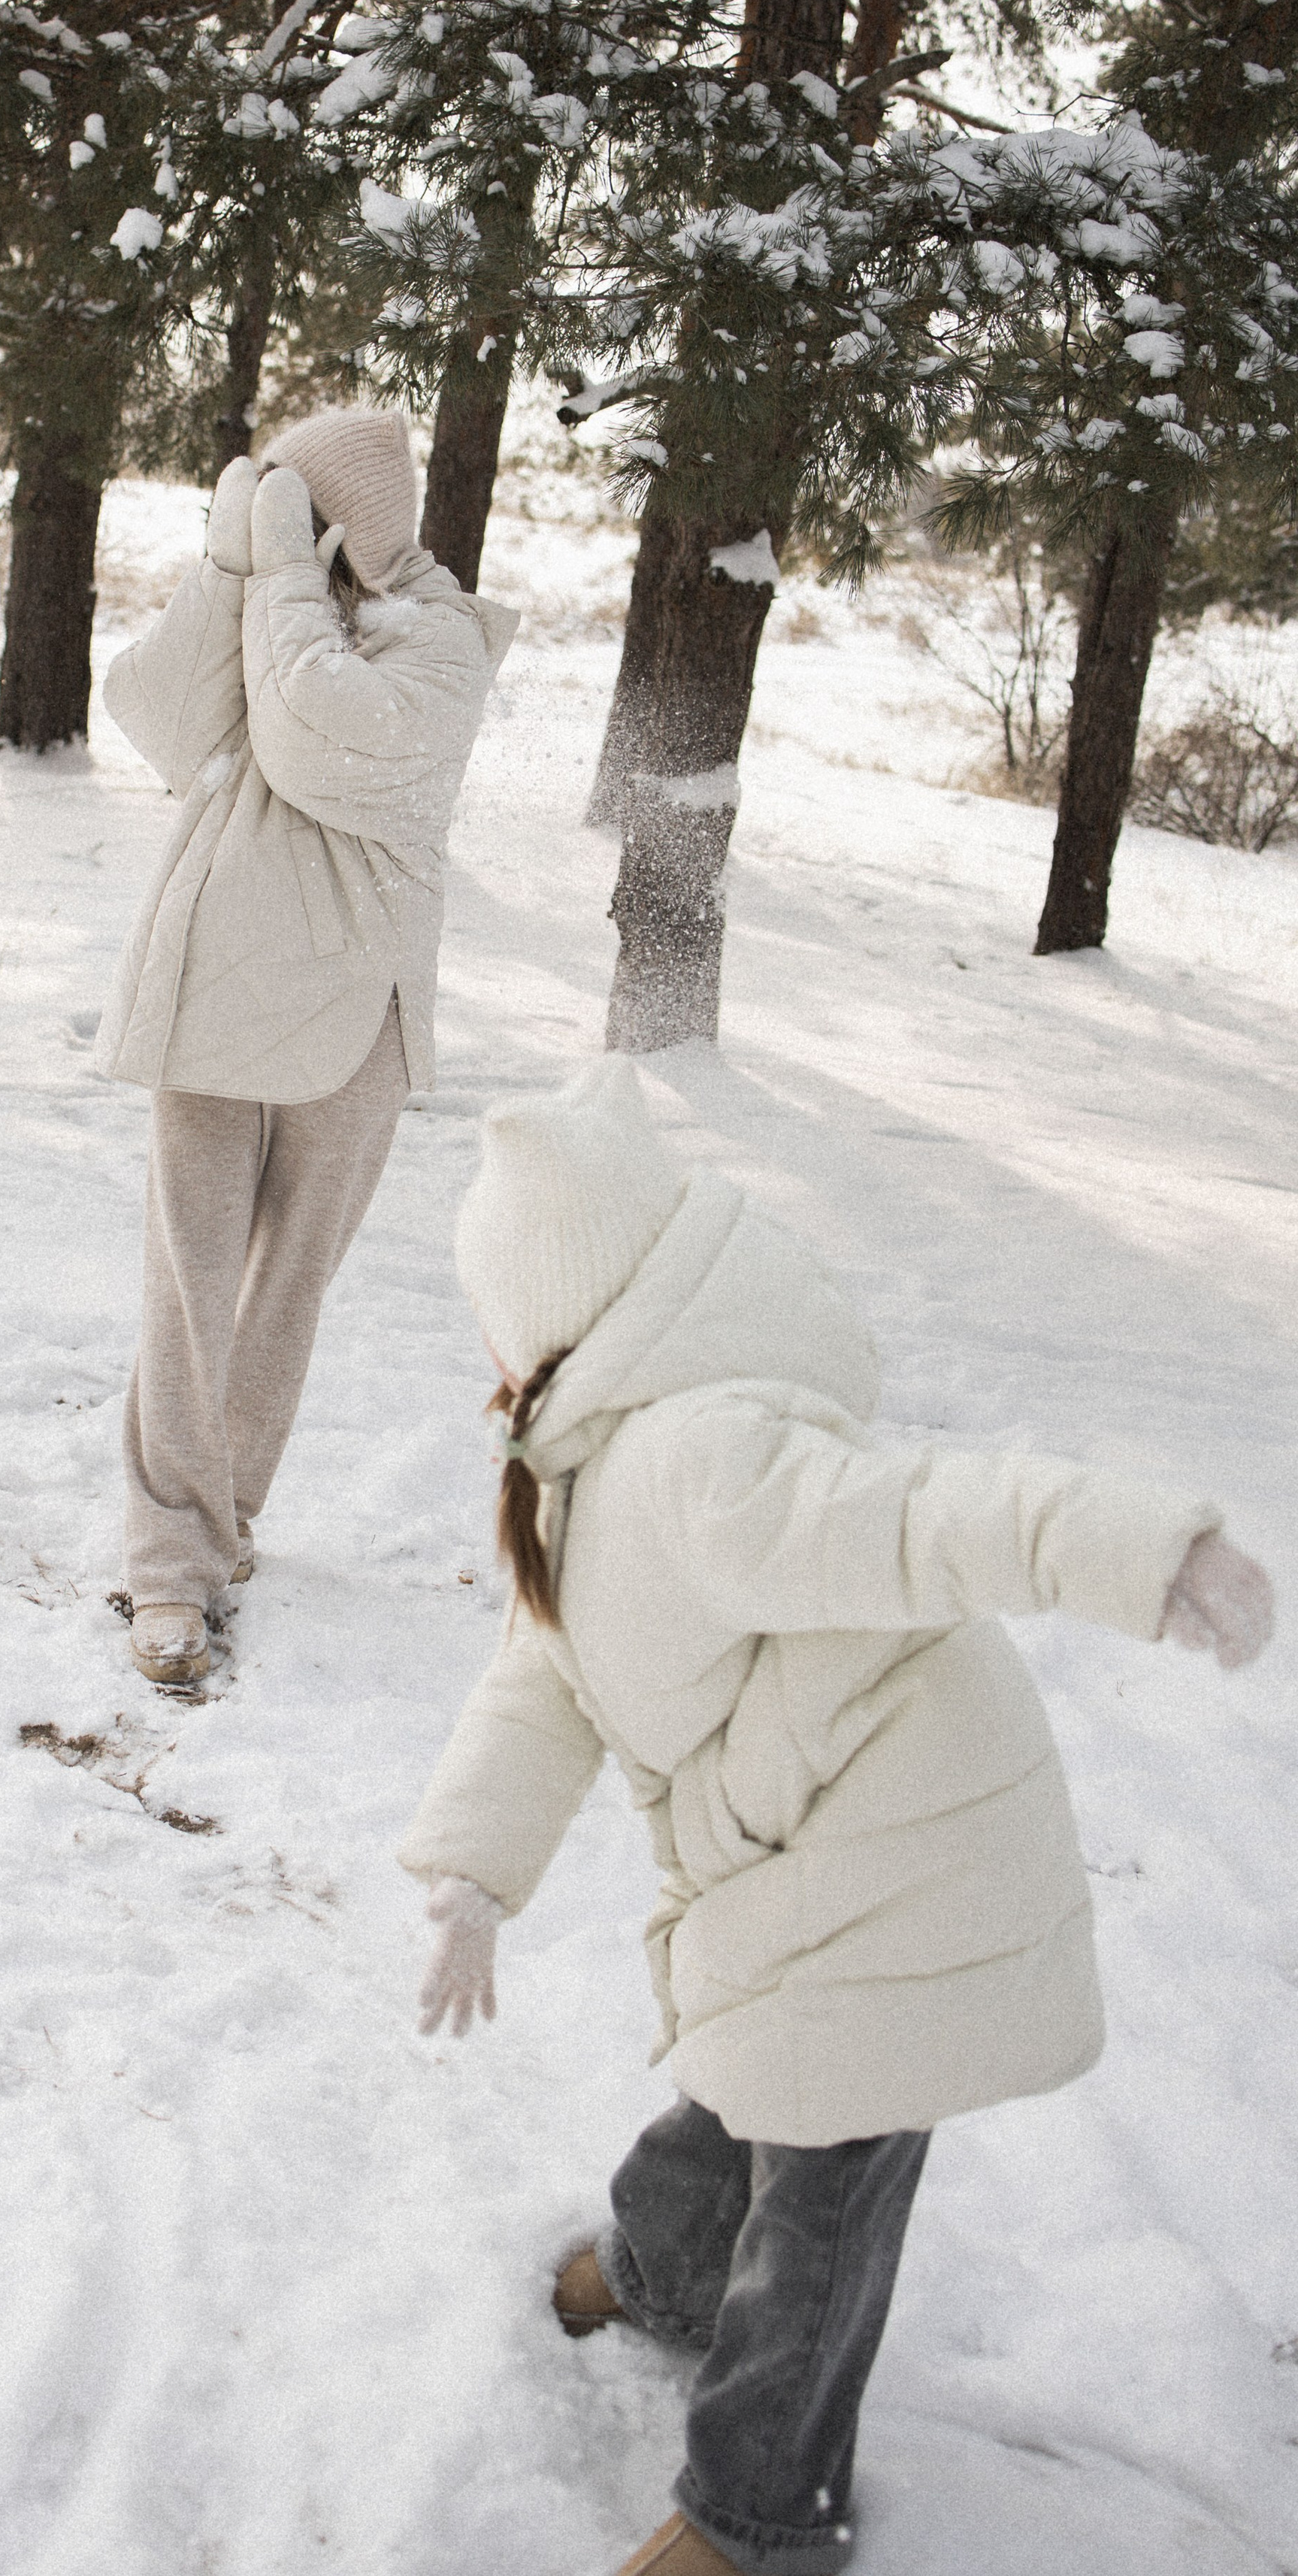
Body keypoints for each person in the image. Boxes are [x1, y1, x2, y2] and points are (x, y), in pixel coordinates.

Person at [400, 1056, 1276, 2576]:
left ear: (563, 1310)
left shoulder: (698, 1455)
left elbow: (929, 1512)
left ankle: (755, 2518)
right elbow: (542, 1679)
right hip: (804, 1868)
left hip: (907, 1872)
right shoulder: (588, 1463)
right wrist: (477, 1871)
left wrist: (1146, 1550)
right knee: (747, 2088)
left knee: (819, 2198)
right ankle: (665, 2272)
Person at [98, 407, 517, 1687]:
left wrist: (282, 578)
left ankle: (228, 1527)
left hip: (352, 1018)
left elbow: (307, 727)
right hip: (217, 987)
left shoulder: (438, 639)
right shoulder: (271, 602)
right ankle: (168, 1565)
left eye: (300, 501)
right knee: (188, 1282)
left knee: (284, 1290)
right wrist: (231, 563)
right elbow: (166, 720)